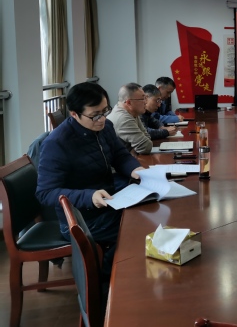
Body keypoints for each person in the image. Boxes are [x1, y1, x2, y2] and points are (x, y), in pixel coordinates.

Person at [36, 82, 143, 280]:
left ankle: (118, 275)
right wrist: (89, 196)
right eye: (95, 115)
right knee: (134, 229)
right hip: (79, 219)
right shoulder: (57, 143)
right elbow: (45, 193)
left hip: (108, 203)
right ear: (74, 114)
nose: (102, 119)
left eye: (105, 111)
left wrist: (135, 169)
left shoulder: (105, 127)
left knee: (144, 215)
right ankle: (105, 281)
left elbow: (120, 155)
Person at [106, 83, 153, 154]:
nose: (146, 102)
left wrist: (133, 150)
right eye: (142, 99)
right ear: (129, 103)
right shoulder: (123, 118)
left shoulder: (133, 112)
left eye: (145, 98)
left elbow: (147, 138)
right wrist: (134, 149)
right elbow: (145, 147)